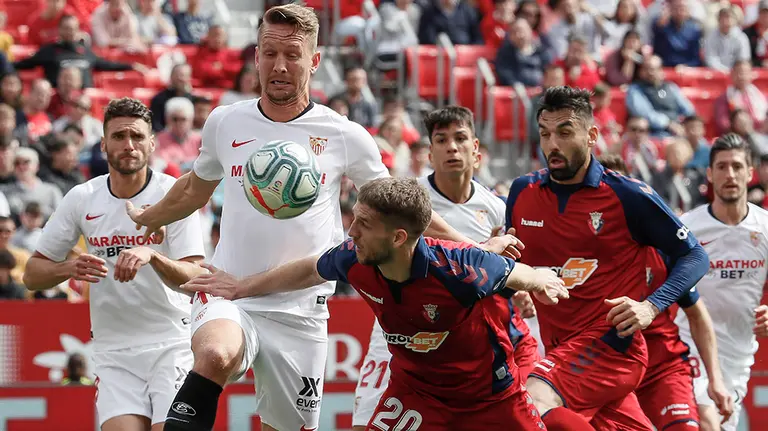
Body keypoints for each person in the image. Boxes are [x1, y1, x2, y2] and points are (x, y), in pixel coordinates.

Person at [125, 5, 499, 431]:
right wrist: (147, 215)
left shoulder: (344, 135)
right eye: (269, 53)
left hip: (302, 306)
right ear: (256, 56)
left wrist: (471, 249)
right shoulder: (226, 122)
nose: (279, 66)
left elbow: (402, 210)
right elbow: (195, 187)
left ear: (315, 61)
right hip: (230, 290)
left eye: (292, 55)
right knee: (215, 354)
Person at [180, 176, 570, 430]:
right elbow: (306, 270)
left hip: (490, 399)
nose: (352, 230)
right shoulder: (355, 257)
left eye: (364, 224)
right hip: (417, 394)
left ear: (399, 237)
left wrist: (545, 281)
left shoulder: (460, 268)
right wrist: (241, 287)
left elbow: (521, 273)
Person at [506, 86, 710, 430]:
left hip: (611, 346)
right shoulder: (521, 193)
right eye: (545, 134)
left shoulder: (627, 195)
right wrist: (520, 286)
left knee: (532, 400)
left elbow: (694, 255)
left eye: (565, 132)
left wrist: (650, 307)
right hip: (563, 351)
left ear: (591, 136)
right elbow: (515, 262)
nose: (552, 145)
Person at [350, 107, 541, 430]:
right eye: (441, 140)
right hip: (397, 335)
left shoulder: (497, 209)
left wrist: (519, 289)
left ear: (476, 150)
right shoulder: (406, 201)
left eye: (460, 138)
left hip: (463, 346)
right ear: (430, 152)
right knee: (363, 423)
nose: (452, 147)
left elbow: (504, 270)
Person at [23, 98, 207, 431]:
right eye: (119, 137)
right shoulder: (82, 197)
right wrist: (69, 269)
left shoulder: (174, 194)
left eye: (137, 137)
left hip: (172, 343)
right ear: (104, 144)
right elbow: (32, 275)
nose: (129, 145)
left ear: (152, 143)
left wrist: (152, 254)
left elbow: (195, 276)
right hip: (113, 352)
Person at [598, 153, 734, 430]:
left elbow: (698, 315)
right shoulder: (576, 254)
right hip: (605, 373)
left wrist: (715, 379)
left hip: (662, 369)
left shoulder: (665, 250)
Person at [674, 133, 768, 431]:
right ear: (710, 173)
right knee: (706, 422)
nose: (730, 174)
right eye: (723, 167)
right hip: (689, 347)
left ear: (750, 173)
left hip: (739, 357)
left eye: (738, 167)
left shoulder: (764, 228)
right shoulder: (686, 228)